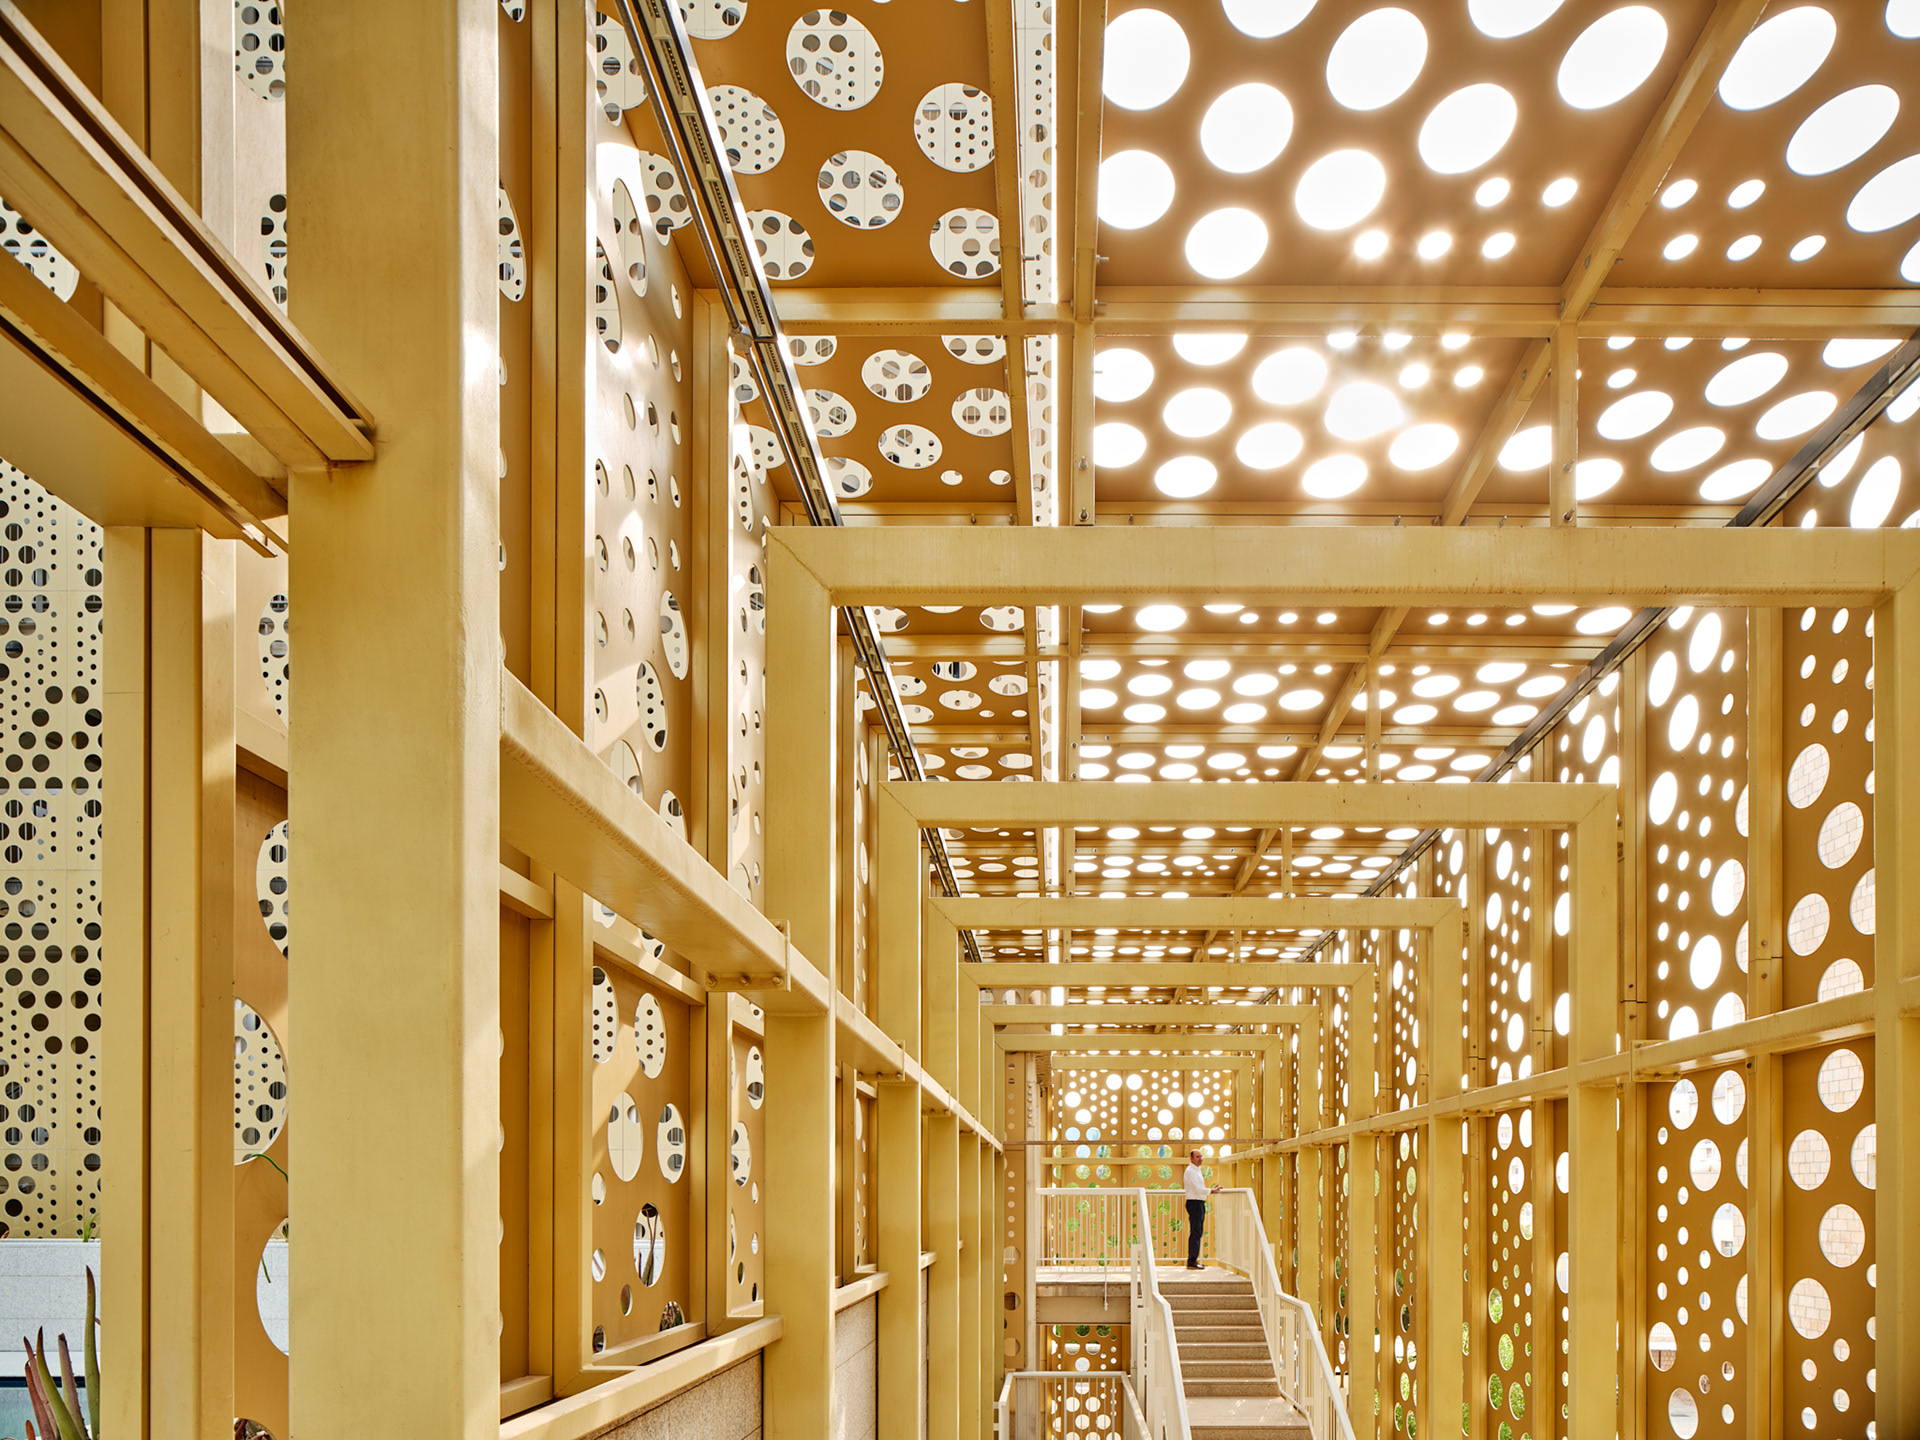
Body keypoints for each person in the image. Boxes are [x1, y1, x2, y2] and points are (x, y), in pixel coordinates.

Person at [1182, 1149, 1220, 1270]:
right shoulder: (1190, 1171)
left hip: (1198, 1202)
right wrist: (1211, 1191)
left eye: (1201, 1156)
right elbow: (1198, 1189)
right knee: (1196, 1232)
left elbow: (1199, 1188)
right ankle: (1192, 1261)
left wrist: (1210, 1190)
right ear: (1191, 1159)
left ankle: (1193, 1260)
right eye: (1197, 1157)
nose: (1200, 1158)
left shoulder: (1196, 1170)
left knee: (1197, 1232)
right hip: (1194, 1203)